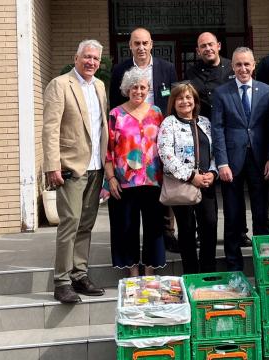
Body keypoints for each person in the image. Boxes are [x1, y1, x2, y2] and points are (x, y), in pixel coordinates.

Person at [42, 39, 107, 303]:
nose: (91, 62)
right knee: (69, 224)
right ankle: (61, 281)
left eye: (95, 59)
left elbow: (101, 127)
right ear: (76, 57)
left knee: (86, 225)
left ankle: (80, 274)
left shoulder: (100, 86)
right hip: (70, 167)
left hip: (96, 167)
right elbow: (50, 128)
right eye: (87, 57)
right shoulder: (60, 85)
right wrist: (51, 166)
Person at [110, 27, 179, 252]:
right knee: (134, 201)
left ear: (151, 44)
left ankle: (167, 235)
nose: (141, 47)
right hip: (129, 140)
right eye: (136, 43)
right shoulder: (120, 69)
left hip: (158, 135)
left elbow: (173, 101)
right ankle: (134, 246)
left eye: (145, 43)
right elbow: (113, 104)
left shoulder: (166, 68)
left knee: (160, 192)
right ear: (130, 45)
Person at [211, 47, 269, 271]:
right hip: (232, 162)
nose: (243, 69)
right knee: (232, 214)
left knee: (261, 214)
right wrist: (222, 163)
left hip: (260, 161)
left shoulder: (266, 91)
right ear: (232, 67)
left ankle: (264, 263)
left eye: (247, 64)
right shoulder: (222, 93)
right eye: (238, 64)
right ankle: (233, 266)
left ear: (254, 65)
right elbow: (217, 129)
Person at [185, 32, 251, 247]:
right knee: (204, 183)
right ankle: (201, 231)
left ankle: (240, 231)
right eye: (203, 46)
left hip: (230, 133)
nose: (207, 49)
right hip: (203, 132)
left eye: (210, 44)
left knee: (235, 185)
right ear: (198, 50)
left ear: (219, 46)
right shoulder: (192, 72)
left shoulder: (231, 67)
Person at [104, 67, 166, 277]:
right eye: (134, 87)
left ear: (148, 89)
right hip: (124, 182)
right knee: (126, 228)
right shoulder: (115, 114)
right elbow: (108, 150)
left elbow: (164, 145)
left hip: (153, 181)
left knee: (153, 228)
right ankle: (132, 271)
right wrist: (110, 177)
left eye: (142, 87)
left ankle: (149, 270)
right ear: (126, 89)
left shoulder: (157, 113)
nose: (138, 91)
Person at [157, 82, 218, 274]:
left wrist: (213, 173)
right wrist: (192, 176)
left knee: (210, 225)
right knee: (187, 229)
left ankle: (208, 271)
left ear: (195, 100)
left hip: (207, 183)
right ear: (173, 102)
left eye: (188, 97)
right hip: (182, 183)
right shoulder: (169, 123)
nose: (185, 101)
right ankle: (191, 272)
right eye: (180, 98)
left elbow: (216, 151)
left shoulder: (205, 122)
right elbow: (166, 154)